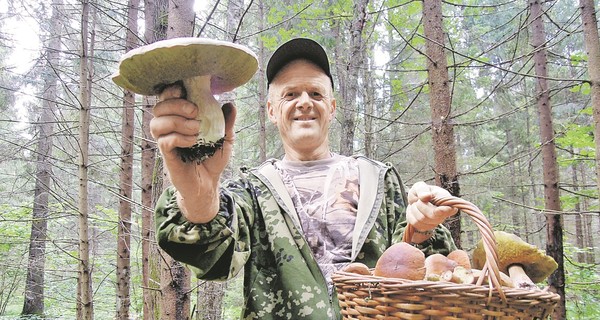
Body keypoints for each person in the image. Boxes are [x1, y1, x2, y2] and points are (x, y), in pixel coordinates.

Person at [151, 38, 458, 320]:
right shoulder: (253, 190)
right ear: (272, 111)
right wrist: (199, 197)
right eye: (290, 94)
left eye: (315, 93)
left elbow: (429, 277)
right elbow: (214, 258)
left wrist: (422, 229)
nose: (304, 102)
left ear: (332, 107)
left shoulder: (378, 179)